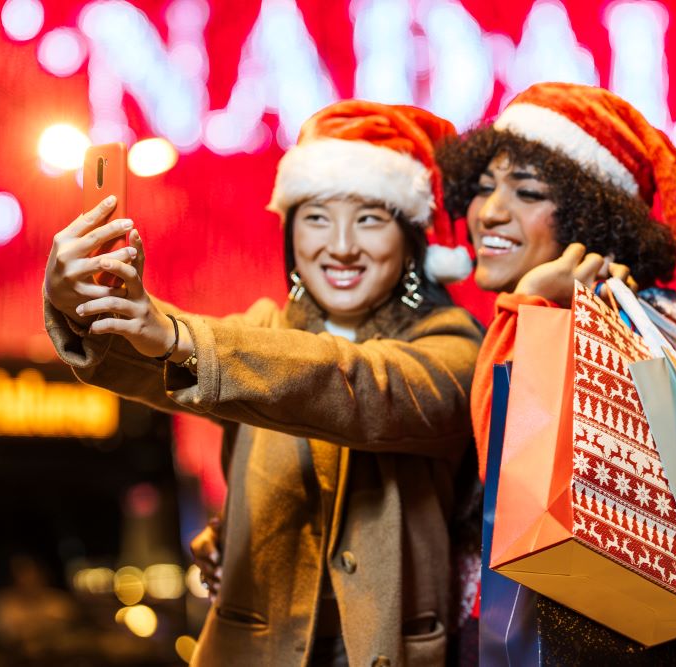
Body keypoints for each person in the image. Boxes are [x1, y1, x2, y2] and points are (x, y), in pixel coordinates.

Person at [43, 100, 480, 666]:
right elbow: (143, 362)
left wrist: (176, 335)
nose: (341, 246)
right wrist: (79, 304)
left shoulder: (452, 344)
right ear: (290, 231)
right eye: (317, 217)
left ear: (413, 239)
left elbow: (361, 386)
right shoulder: (261, 332)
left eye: (370, 218)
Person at [437, 82, 676, 664]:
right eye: (485, 187)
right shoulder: (665, 322)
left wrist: (529, 308)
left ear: (593, 212)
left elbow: (509, 468)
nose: (490, 212)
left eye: (528, 192)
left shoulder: (599, 331)